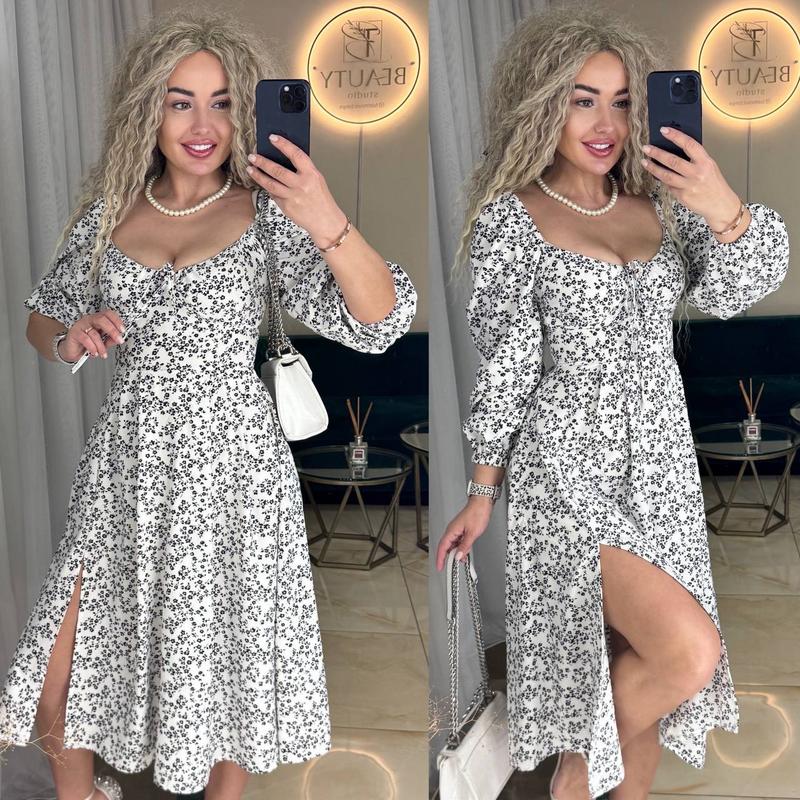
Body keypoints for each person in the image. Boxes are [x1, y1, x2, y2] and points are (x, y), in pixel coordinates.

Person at [0, 9, 416, 800]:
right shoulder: (107, 213)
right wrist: (68, 337)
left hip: (234, 467)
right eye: (180, 101)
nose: (202, 125)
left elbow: (379, 321)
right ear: (147, 110)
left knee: (229, 665)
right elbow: (41, 316)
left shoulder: (268, 214)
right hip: (125, 468)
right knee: (59, 683)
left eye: (222, 102)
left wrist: (324, 215)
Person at [435, 7, 789, 800]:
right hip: (566, 470)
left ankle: (589, 772)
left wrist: (718, 200)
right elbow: (507, 364)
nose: (606, 123)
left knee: (649, 682)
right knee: (686, 654)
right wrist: (484, 489)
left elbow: (740, 286)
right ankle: (572, 774)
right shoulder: (510, 220)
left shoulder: (664, 203)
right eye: (583, 100)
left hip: (661, 467)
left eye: (623, 102)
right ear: (542, 105)